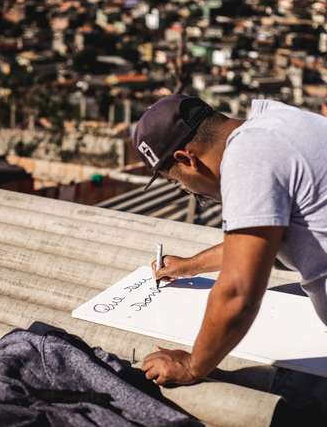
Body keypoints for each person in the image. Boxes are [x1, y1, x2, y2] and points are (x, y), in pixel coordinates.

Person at [133, 94, 327, 386]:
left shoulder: (247, 157)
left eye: (177, 182)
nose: (187, 191)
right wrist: (189, 266)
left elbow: (238, 293)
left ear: (187, 159)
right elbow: (262, 240)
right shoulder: (277, 123)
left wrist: (192, 366)